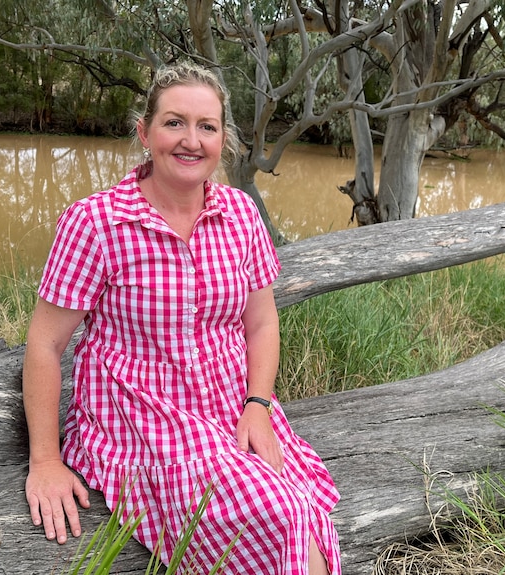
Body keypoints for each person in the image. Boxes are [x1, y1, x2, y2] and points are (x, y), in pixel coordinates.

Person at [23, 61, 341, 575]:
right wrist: (45, 461)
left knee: (304, 517)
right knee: (280, 515)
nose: (190, 140)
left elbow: (261, 323)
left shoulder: (240, 214)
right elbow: (43, 344)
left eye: (206, 126)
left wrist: (258, 404)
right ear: (144, 132)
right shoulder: (96, 223)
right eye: (174, 123)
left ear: (223, 139)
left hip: (231, 405)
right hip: (138, 417)